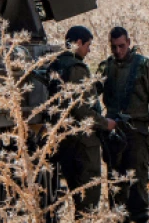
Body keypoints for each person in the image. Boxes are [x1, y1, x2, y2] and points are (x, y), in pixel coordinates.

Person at [98, 26, 149, 223]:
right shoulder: (106, 67)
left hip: (137, 133)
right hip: (113, 134)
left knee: (138, 187)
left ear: (129, 42)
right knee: (116, 187)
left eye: (121, 46)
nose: (118, 51)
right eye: (114, 47)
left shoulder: (144, 65)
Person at [50, 26, 117, 218]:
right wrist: (106, 123)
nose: (88, 50)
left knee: (74, 190)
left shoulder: (55, 63)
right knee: (89, 198)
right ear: (78, 43)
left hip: (64, 137)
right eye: (88, 45)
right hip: (83, 141)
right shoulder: (76, 68)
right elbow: (81, 110)